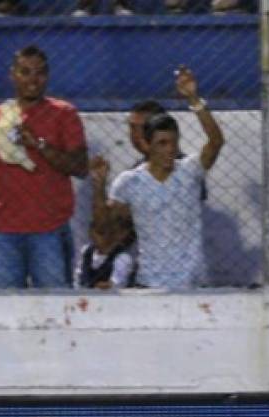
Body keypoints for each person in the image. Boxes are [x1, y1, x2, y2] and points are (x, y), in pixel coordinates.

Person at [0, 45, 88, 288]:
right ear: (13, 75)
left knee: (55, 307)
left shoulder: (63, 113)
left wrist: (39, 144)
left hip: (49, 228)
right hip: (3, 230)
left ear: (48, 75)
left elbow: (80, 166)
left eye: (39, 73)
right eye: (25, 72)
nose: (33, 79)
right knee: (6, 310)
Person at [92, 66, 224, 289]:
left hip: (192, 283)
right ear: (148, 145)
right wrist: (99, 186)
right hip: (150, 283)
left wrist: (193, 99)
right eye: (162, 143)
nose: (170, 150)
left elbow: (216, 141)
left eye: (173, 142)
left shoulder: (190, 171)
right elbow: (104, 230)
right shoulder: (129, 182)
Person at [73, 213, 136, 289]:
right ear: (91, 233)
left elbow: (116, 284)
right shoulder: (86, 251)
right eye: (101, 233)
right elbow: (79, 276)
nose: (107, 237)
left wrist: (107, 285)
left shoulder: (122, 257)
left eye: (111, 233)